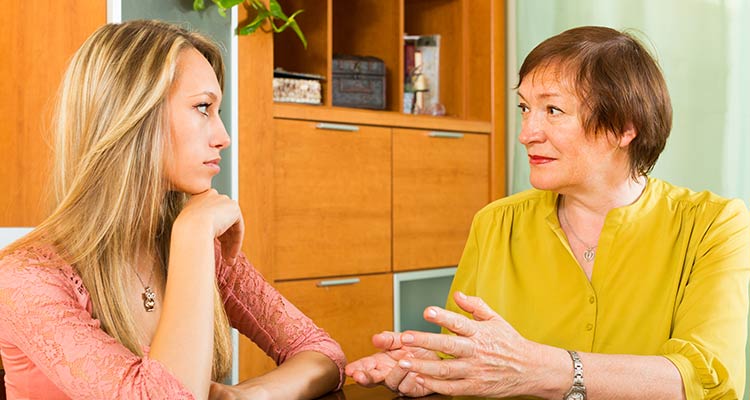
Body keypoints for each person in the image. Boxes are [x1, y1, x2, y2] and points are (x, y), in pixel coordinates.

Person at [346, 26, 750, 399]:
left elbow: (704, 378)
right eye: (524, 108)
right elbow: (475, 365)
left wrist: (538, 368)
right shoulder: (495, 223)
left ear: (625, 128)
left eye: (552, 110)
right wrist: (428, 372)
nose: (526, 133)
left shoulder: (714, 225)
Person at [0, 20, 345, 400]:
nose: (223, 137)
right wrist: (193, 233)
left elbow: (321, 352)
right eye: (202, 108)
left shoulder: (198, 251)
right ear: (131, 116)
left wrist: (245, 396)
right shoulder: (25, 279)